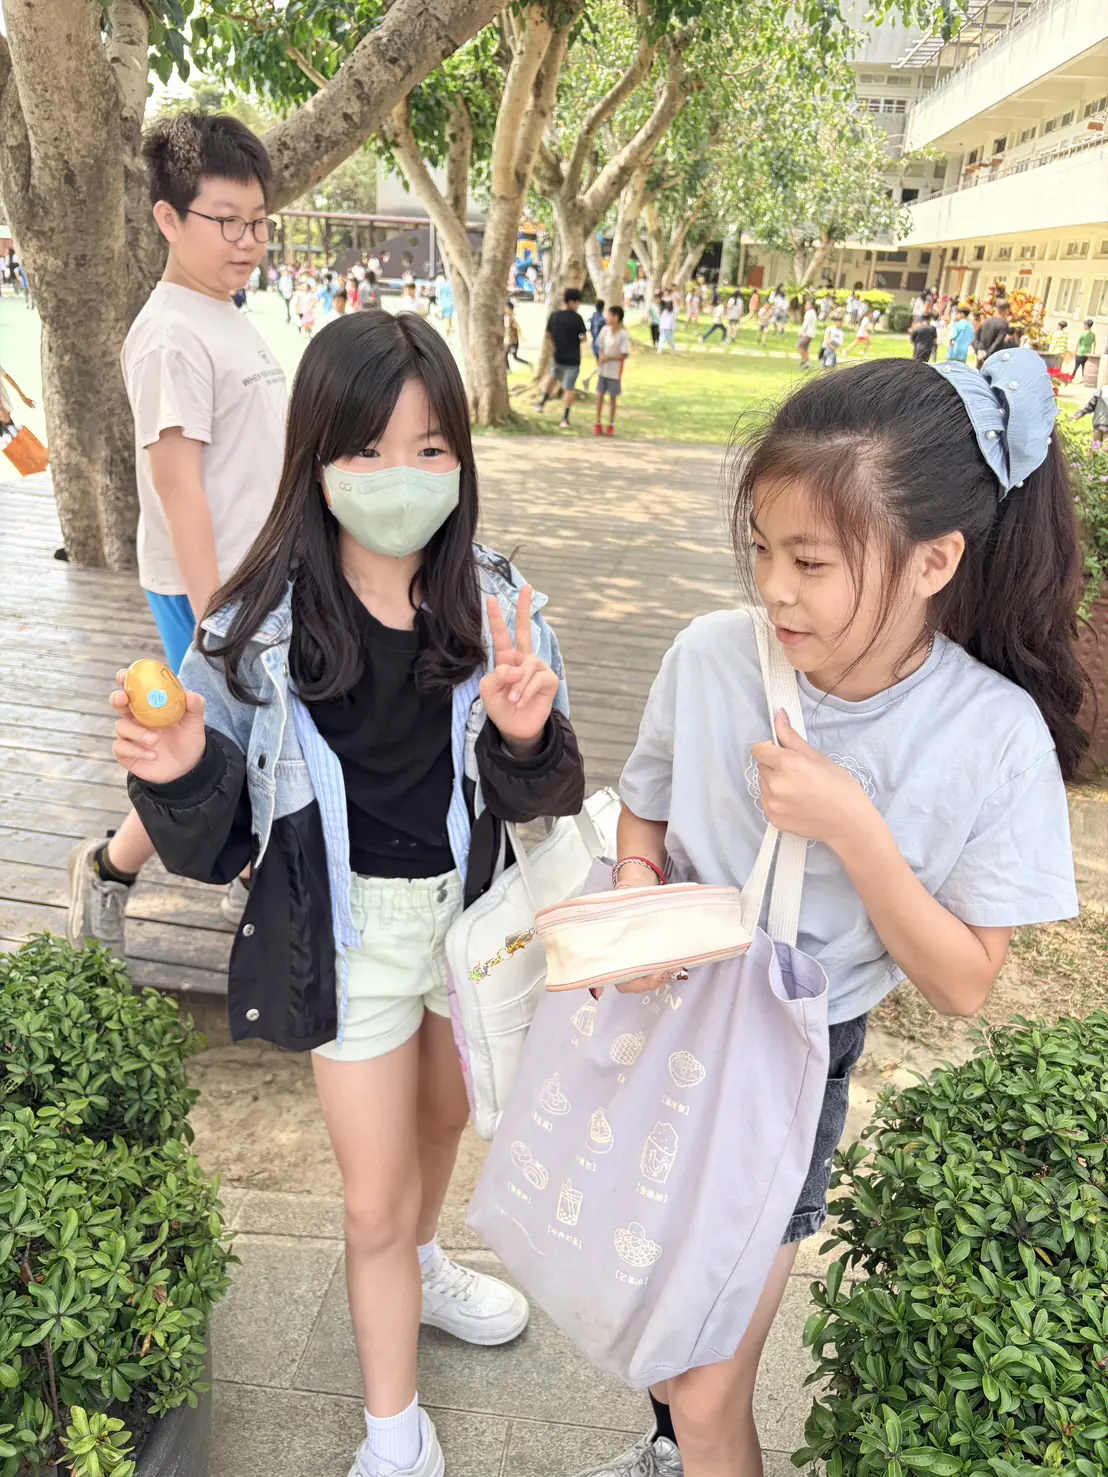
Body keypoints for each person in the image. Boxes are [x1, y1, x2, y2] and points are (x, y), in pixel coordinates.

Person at [576, 348, 1083, 1477]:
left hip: (792, 1061)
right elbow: (643, 813)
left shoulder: (991, 735)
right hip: (661, 1019)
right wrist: (635, 894)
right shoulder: (710, 656)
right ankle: (665, 1450)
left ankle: (687, 1445)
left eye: (810, 560)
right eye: (761, 547)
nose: (773, 588)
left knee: (709, 1387)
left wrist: (854, 826)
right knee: (657, 1317)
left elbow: (964, 982)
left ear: (933, 560)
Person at [111, 310, 586, 1477]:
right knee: (371, 1197)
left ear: (460, 460)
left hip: (469, 928)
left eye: (429, 449)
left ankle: (421, 1265)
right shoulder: (250, 628)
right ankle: (393, 1435)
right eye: (367, 449)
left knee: (441, 1126)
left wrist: (526, 734)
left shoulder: (497, 600)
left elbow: (543, 794)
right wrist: (178, 772)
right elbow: (219, 843)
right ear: (316, 455)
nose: (399, 476)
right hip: (349, 930)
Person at [67, 110, 287, 956]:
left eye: (258, 220)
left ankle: (250, 873)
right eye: (226, 221)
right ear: (167, 217)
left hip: (258, 581)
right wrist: (217, 617)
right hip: (210, 588)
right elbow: (176, 485)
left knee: (249, 737)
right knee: (207, 742)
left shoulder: (222, 310)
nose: (248, 240)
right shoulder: (169, 333)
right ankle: (109, 867)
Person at [537, 286, 588, 429]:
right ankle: (565, 418)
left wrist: (558, 341)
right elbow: (584, 338)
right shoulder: (577, 318)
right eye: (577, 302)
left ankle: (541, 403)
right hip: (573, 359)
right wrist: (575, 341)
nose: (578, 305)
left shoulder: (554, 316)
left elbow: (548, 335)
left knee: (552, 378)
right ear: (571, 302)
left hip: (558, 355)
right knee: (569, 388)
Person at [593, 303, 631, 438]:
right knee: (599, 395)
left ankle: (611, 424)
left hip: (615, 372)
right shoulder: (604, 331)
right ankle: (598, 422)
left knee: (613, 398)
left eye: (609, 315)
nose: (607, 317)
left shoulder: (623, 335)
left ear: (616, 317)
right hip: (603, 371)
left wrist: (609, 358)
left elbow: (624, 355)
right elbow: (599, 346)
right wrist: (601, 355)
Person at [0, 361, 36, 430]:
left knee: (11, 430)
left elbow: (8, 379)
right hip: (3, 412)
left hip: (4, 411)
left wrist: (23, 397)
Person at [974, 299, 1011, 364]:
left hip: (981, 357)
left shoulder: (986, 321)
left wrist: (979, 351)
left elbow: (976, 336)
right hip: (994, 359)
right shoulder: (1004, 324)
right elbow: (998, 342)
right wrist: (987, 354)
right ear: (1006, 310)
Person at [1073, 382, 1108, 451]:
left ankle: (1094, 454)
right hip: (1099, 426)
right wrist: (1080, 413)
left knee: (1098, 447)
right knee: (1098, 447)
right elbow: (1089, 406)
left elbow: (1089, 407)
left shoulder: (1100, 392)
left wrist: (1080, 413)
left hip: (1099, 425)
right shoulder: (1100, 393)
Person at [582, 299, 606, 389]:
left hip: (594, 344)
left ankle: (588, 380)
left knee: (600, 365)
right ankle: (589, 380)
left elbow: (592, 330)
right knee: (601, 365)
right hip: (600, 346)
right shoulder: (602, 320)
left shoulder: (593, 317)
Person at [504, 298, 528, 370]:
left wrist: (521, 336)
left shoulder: (512, 319)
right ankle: (528, 364)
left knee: (506, 356)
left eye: (506, 308)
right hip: (509, 341)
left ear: (510, 309)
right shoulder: (507, 317)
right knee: (514, 357)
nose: (505, 309)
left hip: (513, 342)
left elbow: (517, 327)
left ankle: (508, 370)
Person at [796, 298, 818, 367]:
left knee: (799, 346)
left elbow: (806, 323)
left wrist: (801, 332)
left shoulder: (809, 313)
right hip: (811, 334)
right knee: (805, 348)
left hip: (807, 334)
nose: (806, 305)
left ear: (811, 305)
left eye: (807, 304)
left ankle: (804, 361)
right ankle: (806, 362)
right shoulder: (813, 312)